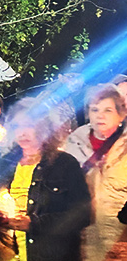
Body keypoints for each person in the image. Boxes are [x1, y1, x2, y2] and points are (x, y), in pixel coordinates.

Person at [0, 97, 91, 261]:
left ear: (44, 126)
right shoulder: (5, 163)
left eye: (29, 125)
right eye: (17, 126)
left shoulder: (64, 164)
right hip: (5, 254)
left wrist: (34, 223)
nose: (22, 132)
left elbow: (83, 214)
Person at [63, 84, 127, 260]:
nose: (100, 115)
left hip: (119, 244)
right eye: (95, 109)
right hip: (81, 242)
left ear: (120, 114)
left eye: (108, 110)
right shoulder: (74, 143)